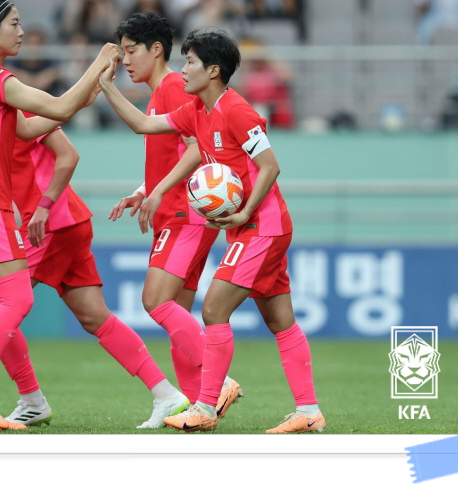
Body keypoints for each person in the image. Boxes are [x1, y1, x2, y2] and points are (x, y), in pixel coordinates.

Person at [0, 31, 188, 429]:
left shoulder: (2, 100)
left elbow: (66, 148)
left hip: (49, 224)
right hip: (69, 221)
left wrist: (42, 206)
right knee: (95, 317)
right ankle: (167, 394)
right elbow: (63, 111)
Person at [98, 28, 324, 434]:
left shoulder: (237, 110)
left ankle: (205, 405)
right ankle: (308, 412)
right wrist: (106, 87)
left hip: (262, 227)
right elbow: (143, 124)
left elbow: (271, 166)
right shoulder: (195, 112)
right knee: (280, 321)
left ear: (214, 70)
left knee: (214, 309)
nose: (183, 70)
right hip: (247, 229)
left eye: (190, 62)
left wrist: (245, 213)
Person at [0, 0, 119, 430]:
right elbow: (59, 104)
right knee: (17, 298)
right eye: (15, 24)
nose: (22, 32)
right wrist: (98, 62)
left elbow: (26, 128)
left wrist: (84, 95)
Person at [108, 13, 243, 419]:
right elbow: (173, 152)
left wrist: (160, 191)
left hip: (183, 215)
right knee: (177, 316)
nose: (126, 60)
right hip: (177, 212)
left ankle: (219, 380)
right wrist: (143, 191)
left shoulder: (171, 88)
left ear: (156, 50)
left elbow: (196, 149)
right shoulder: (160, 92)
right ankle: (197, 406)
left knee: (154, 300)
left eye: (131, 51)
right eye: (123, 52)